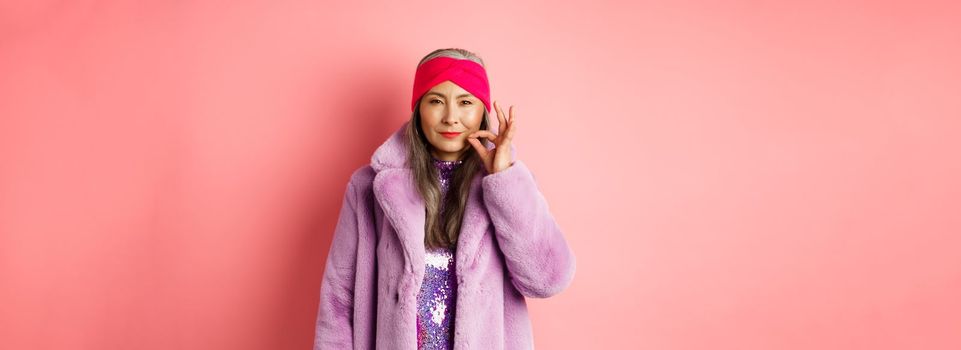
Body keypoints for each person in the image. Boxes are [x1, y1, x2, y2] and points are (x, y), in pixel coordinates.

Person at [313, 48, 576, 350]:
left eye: (465, 102)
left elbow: (548, 279)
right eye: (436, 101)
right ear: (418, 109)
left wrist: (503, 180)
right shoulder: (368, 188)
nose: (451, 117)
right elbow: (339, 297)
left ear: (482, 111)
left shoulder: (508, 187)